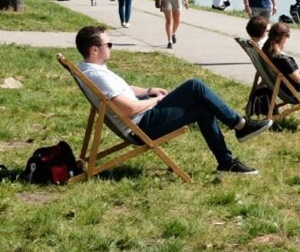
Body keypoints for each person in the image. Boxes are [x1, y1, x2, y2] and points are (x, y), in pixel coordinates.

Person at [74, 25, 271, 174]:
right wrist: (156, 101)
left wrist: (149, 90)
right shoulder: (97, 75)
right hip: (141, 126)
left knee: (202, 108)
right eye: (108, 44)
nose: (111, 47)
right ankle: (241, 126)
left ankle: (226, 162)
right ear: (94, 49)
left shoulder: (90, 70)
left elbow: (123, 91)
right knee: (195, 86)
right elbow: (129, 109)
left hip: (141, 120)